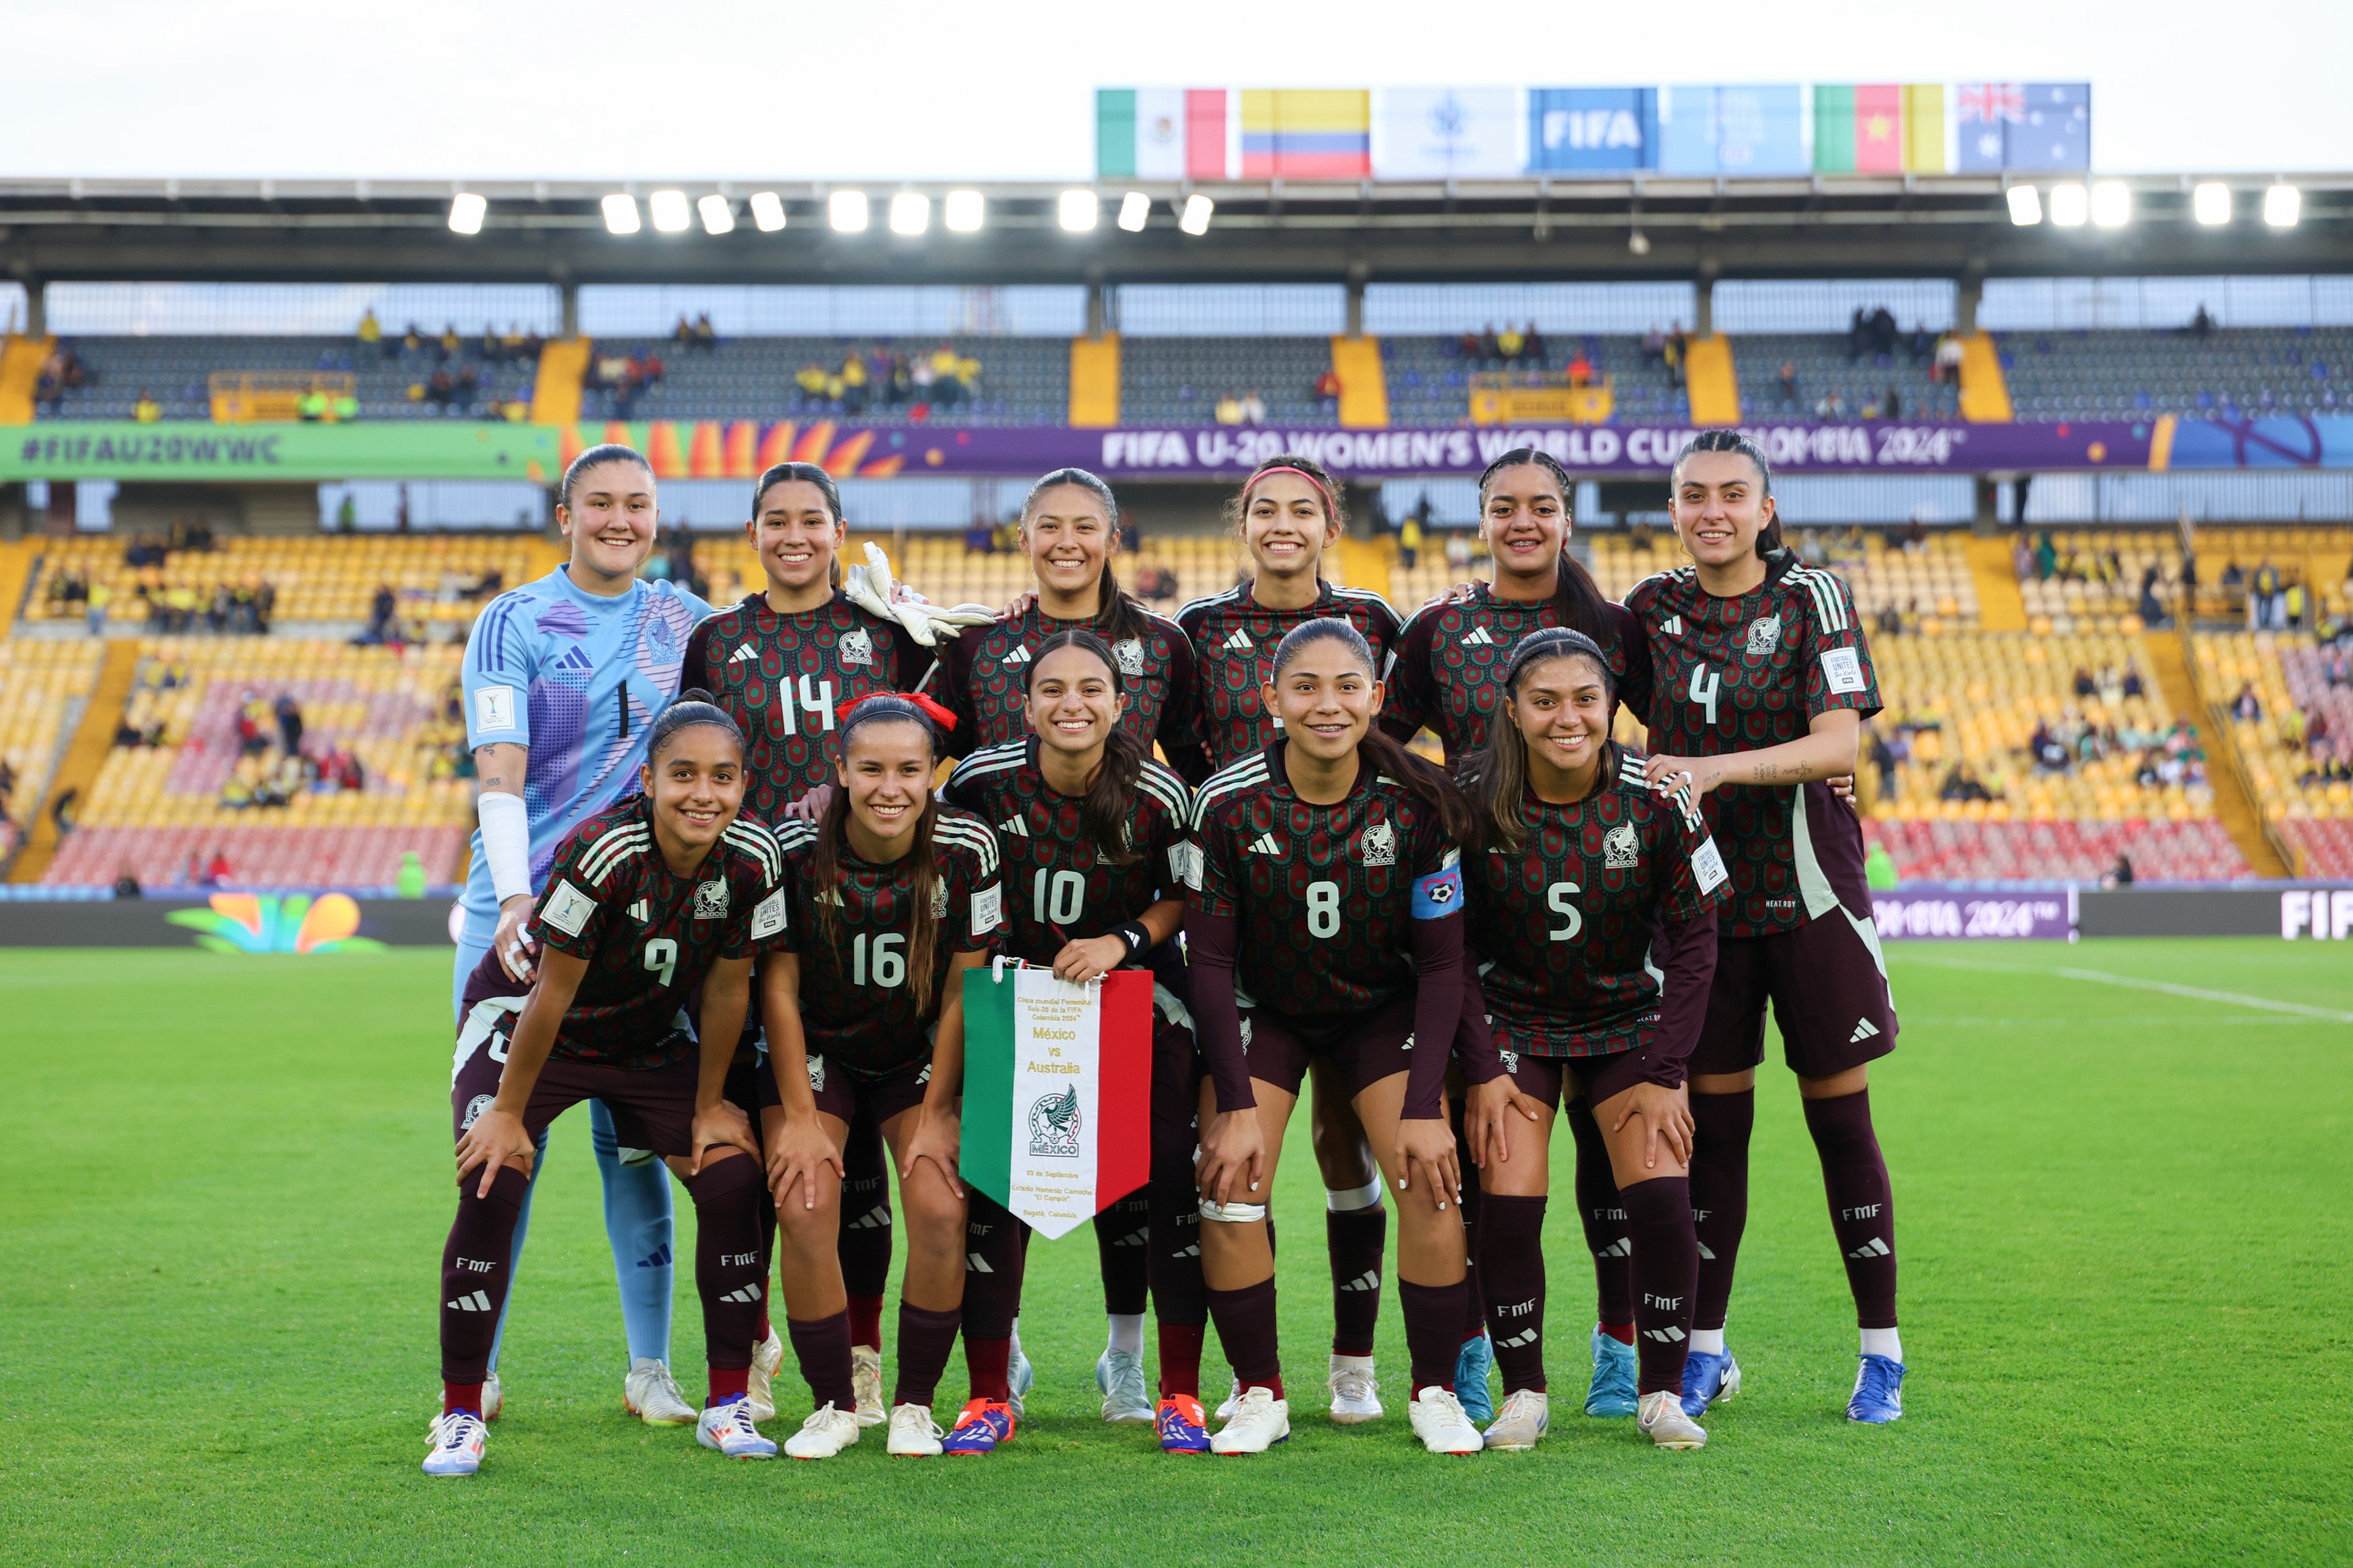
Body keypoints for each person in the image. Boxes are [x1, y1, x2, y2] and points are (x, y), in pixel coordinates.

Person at [1625, 430, 1906, 1426]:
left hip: (1809, 896)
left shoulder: (1811, 597)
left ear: (1765, 508)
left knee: (1841, 1123)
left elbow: (1842, 743)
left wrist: (1711, 769)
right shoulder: (1648, 611)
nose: (1713, 509)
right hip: (1700, 909)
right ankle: (1705, 1349)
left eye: (1732, 494)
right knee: (1716, 1136)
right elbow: (1568, 708)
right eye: (1694, 493)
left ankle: (1882, 1353)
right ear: (1674, 509)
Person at [425, 693, 783, 1476]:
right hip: (525, 1025)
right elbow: (550, 995)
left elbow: (727, 991)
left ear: (743, 783)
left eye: (722, 777)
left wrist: (713, 1101)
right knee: (493, 1175)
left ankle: (727, 1402)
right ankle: (459, 1411)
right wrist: (510, 1114)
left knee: (730, 1178)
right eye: (683, 774)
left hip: (642, 1033)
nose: (703, 793)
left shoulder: (753, 858)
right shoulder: (606, 849)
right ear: (649, 779)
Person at [1186, 617, 1517, 1455]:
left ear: (1375, 698)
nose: (1326, 704)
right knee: (1227, 1179)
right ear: (1273, 699)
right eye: (1305, 686)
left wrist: (1422, 1106)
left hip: (1379, 1009)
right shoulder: (1224, 804)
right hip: (1270, 1007)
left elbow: (1444, 969)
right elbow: (1213, 966)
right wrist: (1231, 1105)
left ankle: (1435, 1390)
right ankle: (1260, 1391)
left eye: (1346, 687)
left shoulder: (1421, 801)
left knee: (1431, 1177)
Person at [1380, 447, 1656, 1422]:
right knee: (1489, 1152)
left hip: (1608, 917)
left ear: (1568, 520)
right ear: (1482, 518)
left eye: (1542, 507)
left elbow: (1672, 748)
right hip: (1483, 930)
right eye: (1506, 507)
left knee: (1612, 1158)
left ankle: (1621, 1347)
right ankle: (1470, 1356)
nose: (1524, 522)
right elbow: (1381, 738)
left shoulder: (1613, 629)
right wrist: (1443, 815)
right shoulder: (1439, 627)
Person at [680, 461, 954, 1423]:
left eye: (812, 520)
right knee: (774, 1160)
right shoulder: (718, 640)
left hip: (871, 911)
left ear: (839, 531)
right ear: (752, 532)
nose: (794, 535)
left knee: (869, 1174)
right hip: (758, 906)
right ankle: (755, 1348)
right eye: (776, 520)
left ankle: (866, 1355)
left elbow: (928, 750)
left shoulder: (882, 632)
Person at [456, 443, 716, 1429]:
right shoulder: (512, 620)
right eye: (599, 502)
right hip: (516, 915)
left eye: (637, 504)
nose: (619, 519)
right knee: (499, 1145)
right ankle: (471, 1369)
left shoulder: (687, 622)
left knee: (638, 1146)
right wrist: (518, 899)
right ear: (566, 514)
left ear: (657, 518)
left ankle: (650, 1369)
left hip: (648, 924)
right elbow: (499, 770)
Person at [1173, 455, 1403, 1425]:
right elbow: (1178, 751)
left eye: (1299, 509)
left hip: (1352, 912)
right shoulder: (1198, 631)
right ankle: (1250, 1380)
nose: (1281, 523)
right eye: (1263, 509)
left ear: (1327, 524)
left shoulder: (1377, 623)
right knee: (1235, 1147)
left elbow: (1397, 740)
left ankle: (1355, 1368)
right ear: (1242, 523)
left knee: (1347, 1144)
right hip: (1239, 903)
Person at [1459, 628, 1725, 1450]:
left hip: (1627, 1022)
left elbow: (1698, 936)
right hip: (1513, 1019)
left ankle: (1660, 1392)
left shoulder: (1658, 791)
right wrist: (1478, 1064)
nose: (1566, 718)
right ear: (1512, 708)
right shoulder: (1469, 794)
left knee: (1661, 1190)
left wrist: (1669, 1068)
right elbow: (1449, 948)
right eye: (1544, 701)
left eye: (1585, 699)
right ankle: (1522, 1393)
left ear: (1611, 705)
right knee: (1507, 1196)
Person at [939, 631, 1206, 1452]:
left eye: (1092, 688)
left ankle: (1167, 1386)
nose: (1072, 704)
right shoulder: (982, 781)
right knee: (997, 1184)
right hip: (1014, 1008)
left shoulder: (1161, 793)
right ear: (1026, 705)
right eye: (1052, 689)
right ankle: (993, 1385)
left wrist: (1122, 939)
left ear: (1122, 704)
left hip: (1135, 1004)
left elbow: (1184, 894)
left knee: (1159, 1185)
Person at [756, 694, 1001, 1459]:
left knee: (938, 1203)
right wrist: (797, 1112)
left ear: (935, 773)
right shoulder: (793, 847)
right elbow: (778, 988)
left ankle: (914, 1406)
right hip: (821, 1049)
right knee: (804, 1200)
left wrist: (937, 1111)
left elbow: (966, 989)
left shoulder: (969, 846)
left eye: (909, 769)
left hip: (915, 1054)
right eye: (871, 769)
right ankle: (832, 1402)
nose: (889, 787)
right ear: (842, 771)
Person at [923, 468, 1195, 766]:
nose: (1067, 542)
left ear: (1112, 542)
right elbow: (916, 752)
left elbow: (1195, 765)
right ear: (1024, 540)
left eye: (1085, 528)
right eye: (1050, 527)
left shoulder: (1162, 643)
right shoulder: (977, 645)